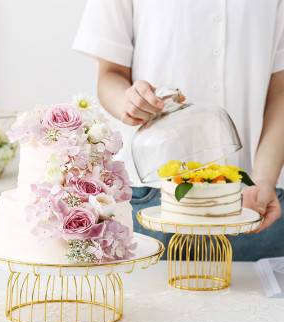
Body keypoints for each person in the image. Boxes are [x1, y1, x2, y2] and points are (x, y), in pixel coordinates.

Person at [73, 0, 284, 260]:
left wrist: (264, 179)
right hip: (151, 197)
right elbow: (110, 74)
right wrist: (128, 103)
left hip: (250, 198)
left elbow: (280, 90)